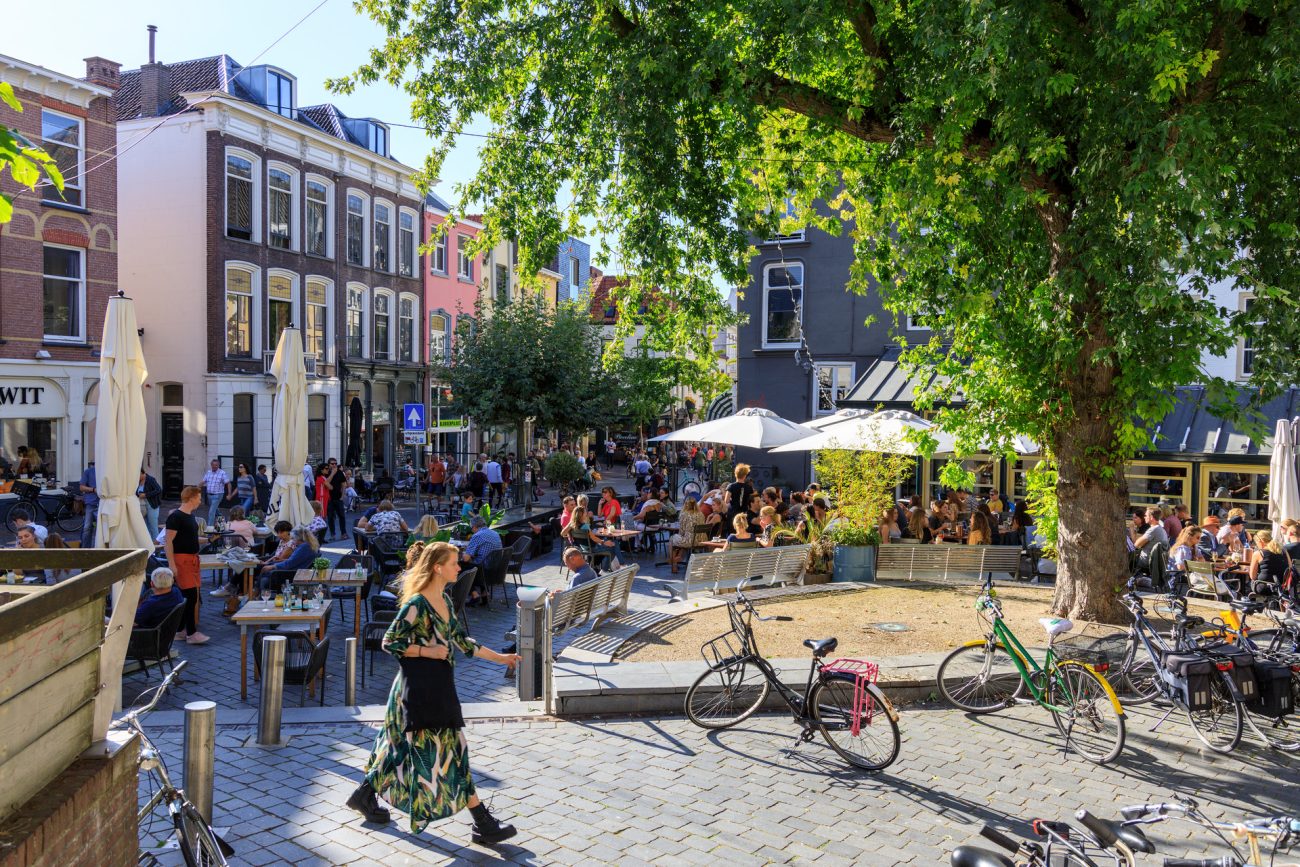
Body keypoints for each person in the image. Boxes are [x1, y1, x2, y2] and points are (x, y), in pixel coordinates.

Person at [347, 541, 520, 841]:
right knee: (453, 750)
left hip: (435, 687)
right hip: (415, 691)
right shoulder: (417, 605)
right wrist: (428, 652)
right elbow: (390, 642)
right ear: (438, 567)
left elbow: (464, 643)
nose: (459, 567)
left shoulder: (445, 601)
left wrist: (502, 658)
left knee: (398, 747)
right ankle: (483, 823)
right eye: (454, 563)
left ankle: (364, 794)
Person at [165, 486, 208, 644]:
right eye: (198, 497)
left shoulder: (190, 516)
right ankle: (191, 633)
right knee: (190, 596)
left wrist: (209, 540)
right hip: (182, 561)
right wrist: (172, 564)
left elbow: (191, 538)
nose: (200, 500)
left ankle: (181, 631)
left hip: (192, 560)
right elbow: (168, 541)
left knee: (189, 596)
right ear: (191, 498)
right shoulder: (176, 517)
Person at [460, 517, 503, 606]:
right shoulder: (495, 533)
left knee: (459, 566)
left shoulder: (477, 536)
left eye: (471, 528)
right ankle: (485, 593)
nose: (472, 530)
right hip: (496, 569)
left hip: (482, 571)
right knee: (478, 562)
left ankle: (474, 594)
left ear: (475, 526)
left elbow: (466, 558)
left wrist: (461, 552)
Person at [1248, 530, 1292, 596]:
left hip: (1264, 587)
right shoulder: (1284, 551)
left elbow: (1252, 576)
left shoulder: (1258, 553)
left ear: (1260, 541)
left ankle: (1256, 604)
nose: (1256, 545)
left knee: (1250, 582)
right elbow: (1290, 568)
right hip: (1282, 587)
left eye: (1256, 542)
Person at [668, 497, 704, 573]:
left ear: (685, 504)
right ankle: (679, 557)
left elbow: (682, 531)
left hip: (690, 541)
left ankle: (673, 562)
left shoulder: (684, 514)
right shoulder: (701, 514)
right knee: (682, 541)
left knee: (672, 538)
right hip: (702, 540)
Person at [202, 459, 230, 528]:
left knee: (211, 512)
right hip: (209, 495)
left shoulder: (222, 473)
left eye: (216, 465)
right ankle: (223, 525)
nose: (214, 466)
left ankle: (210, 529)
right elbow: (203, 482)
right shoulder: (208, 472)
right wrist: (195, 489)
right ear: (211, 465)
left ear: (218, 465)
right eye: (213, 465)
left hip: (218, 495)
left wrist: (229, 494)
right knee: (216, 511)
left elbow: (228, 483)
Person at [138, 469, 163, 541]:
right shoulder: (137, 481)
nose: (137, 476)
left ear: (143, 473)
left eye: (139, 474)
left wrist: (146, 495)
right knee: (146, 526)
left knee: (153, 526)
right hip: (142, 505)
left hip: (152, 505)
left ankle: (156, 545)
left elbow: (158, 490)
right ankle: (149, 544)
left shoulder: (150, 479)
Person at [324, 458, 347, 541]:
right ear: (329, 464)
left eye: (335, 463)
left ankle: (343, 533)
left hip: (338, 497)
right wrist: (333, 473)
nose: (334, 465)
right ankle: (332, 534)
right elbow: (326, 482)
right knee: (330, 517)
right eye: (332, 464)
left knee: (342, 516)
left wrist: (342, 495)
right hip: (329, 498)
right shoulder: (326, 473)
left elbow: (344, 484)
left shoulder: (340, 472)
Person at [79, 461, 98, 548]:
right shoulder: (88, 472)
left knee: (101, 529)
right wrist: (93, 489)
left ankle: (100, 548)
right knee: (87, 527)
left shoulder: (107, 472)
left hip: (104, 503)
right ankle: (86, 549)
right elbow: (81, 487)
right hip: (91, 503)